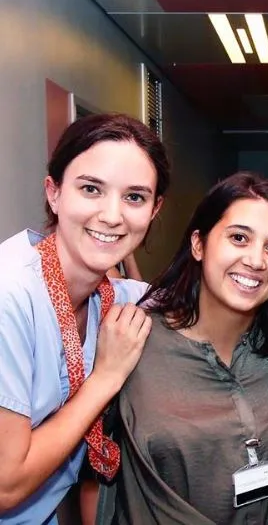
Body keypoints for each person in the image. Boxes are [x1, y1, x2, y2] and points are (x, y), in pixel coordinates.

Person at [0, 113, 169, 523]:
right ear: (53, 193)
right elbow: (6, 485)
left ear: (154, 210)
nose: (112, 215)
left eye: (134, 197)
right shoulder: (11, 295)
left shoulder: (112, 298)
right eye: (91, 189)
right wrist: (105, 379)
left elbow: (190, 305)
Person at [110, 172, 268, 524]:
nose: (256, 261)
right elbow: (93, 474)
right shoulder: (134, 339)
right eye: (239, 238)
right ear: (199, 244)